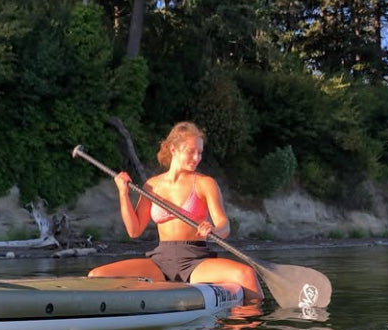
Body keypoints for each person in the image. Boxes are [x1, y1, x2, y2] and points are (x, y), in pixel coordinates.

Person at [88, 122, 263, 302]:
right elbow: (134, 231)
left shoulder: (205, 183)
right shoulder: (152, 185)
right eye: (191, 151)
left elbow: (224, 226)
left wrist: (213, 230)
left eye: (200, 152)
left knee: (246, 274)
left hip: (196, 260)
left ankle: (249, 325)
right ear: (173, 149)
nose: (197, 158)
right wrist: (123, 193)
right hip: (160, 261)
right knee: (97, 275)